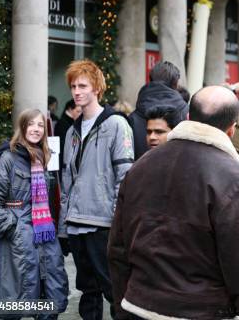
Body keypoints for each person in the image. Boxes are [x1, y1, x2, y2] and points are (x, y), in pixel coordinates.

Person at [108, 86, 239, 320]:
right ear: (232, 129)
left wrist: (123, 305)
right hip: (200, 311)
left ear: (189, 118)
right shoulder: (236, 181)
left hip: (140, 306)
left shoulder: (141, 167)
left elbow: (117, 249)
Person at [60, 59, 134, 320]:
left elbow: (124, 178)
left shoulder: (116, 124)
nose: (77, 91)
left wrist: (117, 222)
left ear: (97, 88)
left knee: (113, 291)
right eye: (73, 86)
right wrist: (63, 228)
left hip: (103, 224)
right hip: (76, 223)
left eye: (83, 85)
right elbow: (67, 183)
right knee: (87, 291)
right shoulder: (71, 132)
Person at [0, 109, 69, 318]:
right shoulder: (8, 158)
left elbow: (53, 199)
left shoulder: (43, 158)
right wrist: (13, 226)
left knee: (47, 297)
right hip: (17, 241)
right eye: (31, 124)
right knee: (14, 300)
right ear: (22, 127)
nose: (36, 129)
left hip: (44, 236)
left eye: (40, 125)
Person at [129, 61, 188, 160]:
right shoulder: (188, 114)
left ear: (150, 79)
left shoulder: (133, 117)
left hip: (139, 172)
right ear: (176, 84)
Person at [54, 99, 82, 169]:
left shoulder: (69, 122)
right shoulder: (64, 123)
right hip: (64, 161)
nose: (80, 114)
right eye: (78, 111)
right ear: (70, 109)